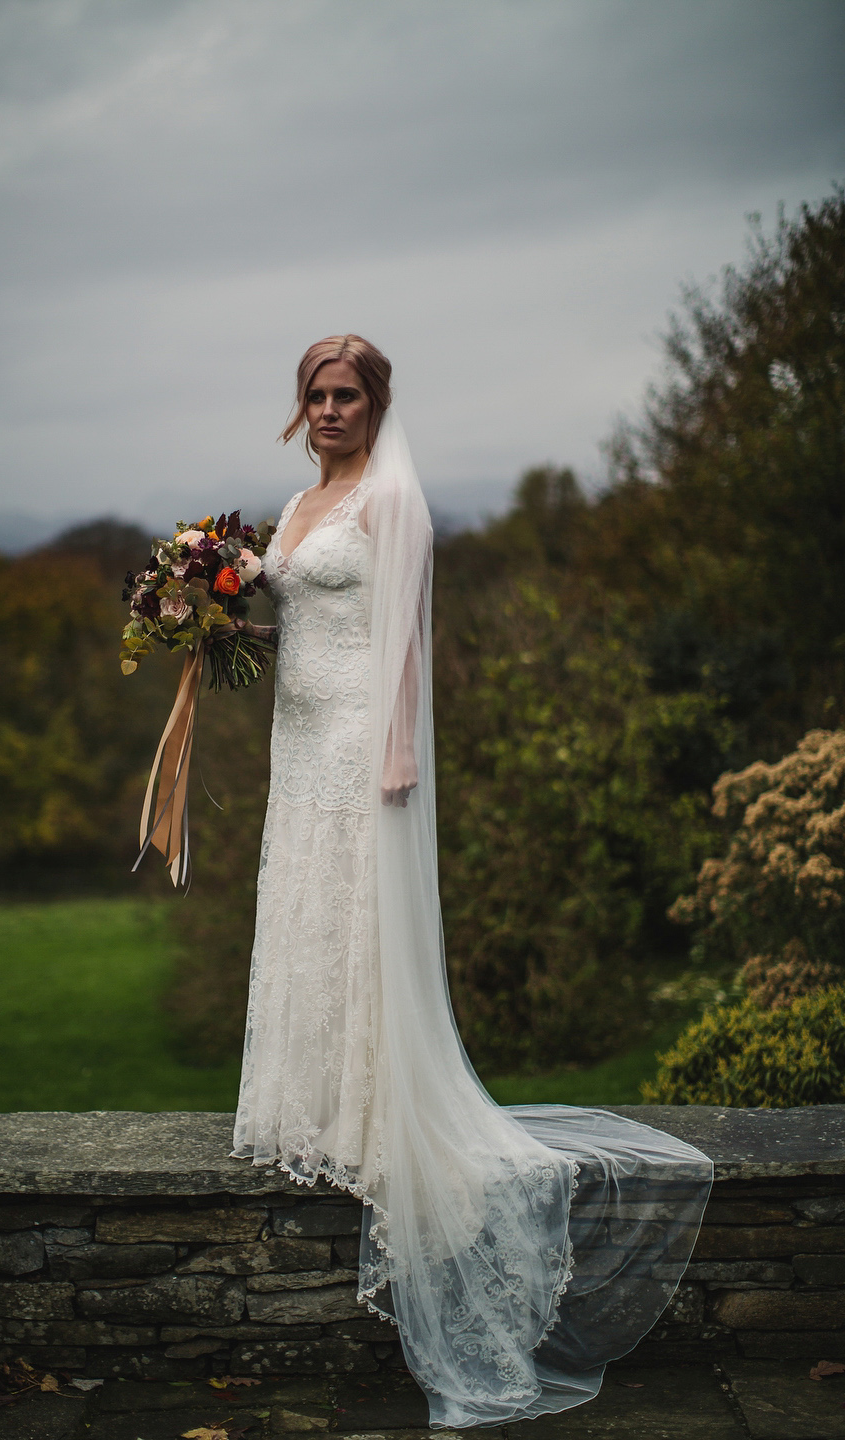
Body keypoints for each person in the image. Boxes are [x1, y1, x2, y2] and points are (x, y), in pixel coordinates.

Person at [232, 335, 712, 1428]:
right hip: (295, 743)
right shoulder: (301, 505)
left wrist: (400, 748)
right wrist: (214, 624)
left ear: (377, 402)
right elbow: (301, 618)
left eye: (347, 394)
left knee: (356, 917)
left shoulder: (396, 503)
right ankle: (308, 1101)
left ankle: (373, 1108)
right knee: (303, 910)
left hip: (359, 740)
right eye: (316, 395)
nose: (331, 410)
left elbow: (401, 639)